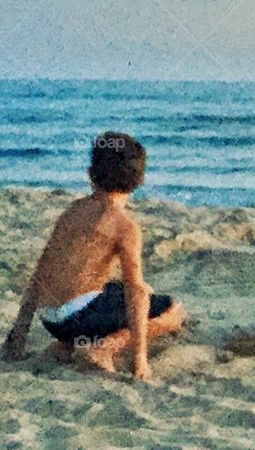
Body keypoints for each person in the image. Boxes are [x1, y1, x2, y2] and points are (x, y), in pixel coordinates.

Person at [2, 132, 186, 380]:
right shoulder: (124, 225)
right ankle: (103, 349)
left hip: (51, 318)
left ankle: (67, 346)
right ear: (139, 179)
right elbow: (136, 291)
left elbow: (42, 269)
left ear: (91, 173)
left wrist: (19, 334)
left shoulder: (73, 210)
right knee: (172, 311)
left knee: (116, 289)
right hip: (79, 318)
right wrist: (140, 360)